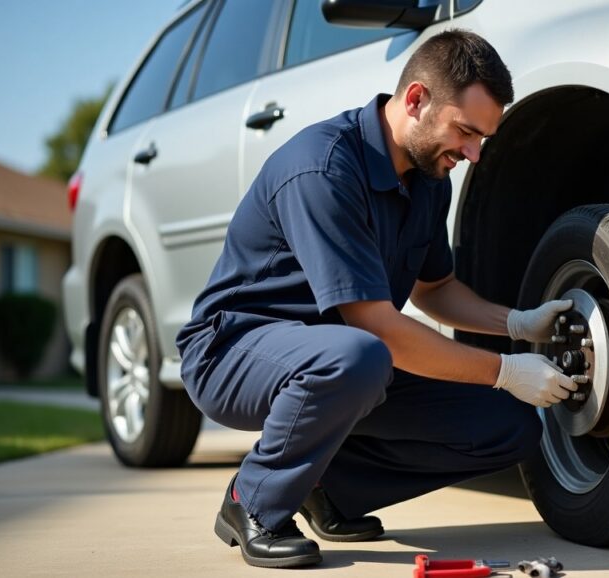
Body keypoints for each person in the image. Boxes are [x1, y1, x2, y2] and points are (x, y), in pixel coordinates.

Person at [176, 29, 577, 569]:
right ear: (416, 100)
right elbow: (378, 331)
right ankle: (254, 499)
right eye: (466, 131)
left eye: (483, 138)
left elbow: (435, 290)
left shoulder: (431, 180)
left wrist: (518, 323)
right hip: (235, 351)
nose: (474, 154)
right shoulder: (324, 168)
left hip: (341, 363)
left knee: (511, 427)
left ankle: (328, 487)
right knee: (361, 356)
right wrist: (505, 369)